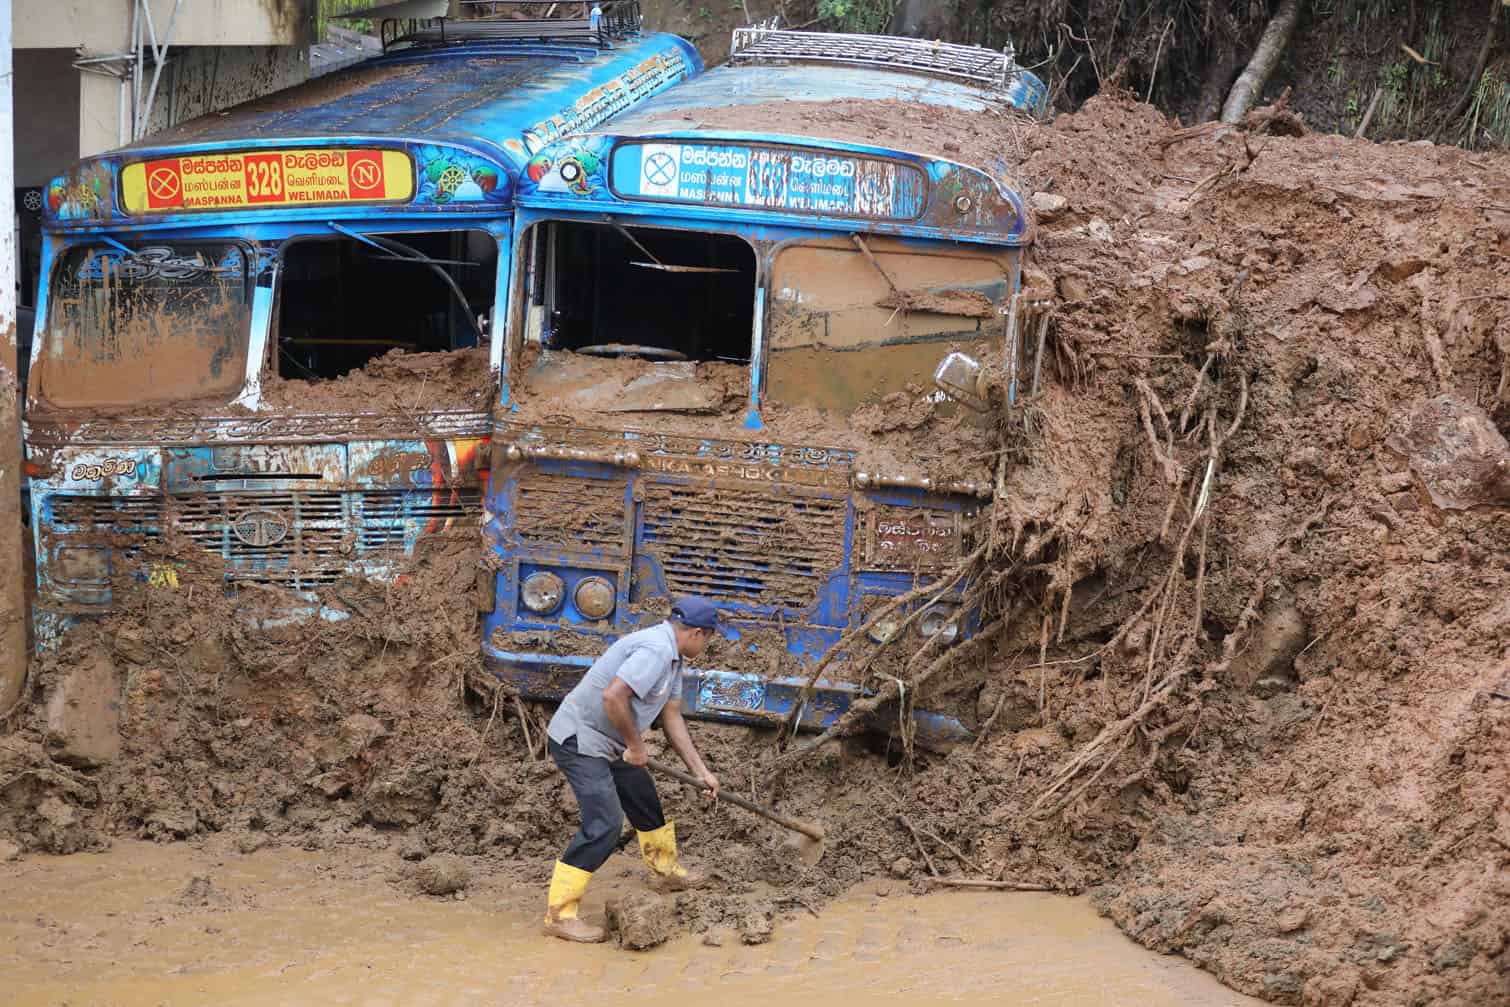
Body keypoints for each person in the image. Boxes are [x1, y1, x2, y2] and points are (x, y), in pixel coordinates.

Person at [542, 597, 723, 943]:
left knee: (643, 799)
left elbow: (671, 717)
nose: (708, 645)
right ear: (698, 633)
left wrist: (701, 772)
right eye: (710, 639)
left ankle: (666, 871)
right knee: (605, 824)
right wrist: (636, 746)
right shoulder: (655, 651)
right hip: (580, 740)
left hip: (610, 743)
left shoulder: (673, 658)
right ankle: (560, 915)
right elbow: (613, 697)